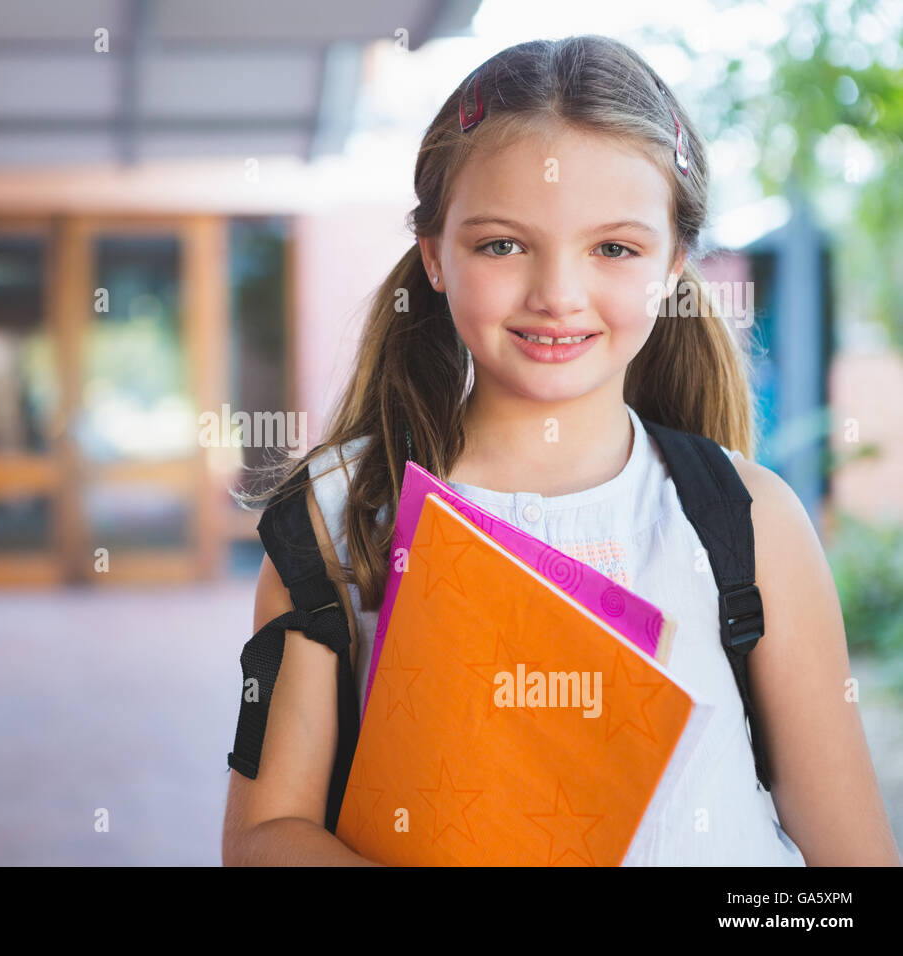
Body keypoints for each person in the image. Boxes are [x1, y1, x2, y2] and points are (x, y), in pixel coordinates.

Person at [221, 34, 901, 866]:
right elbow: (262, 836)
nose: (558, 296)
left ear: (673, 264)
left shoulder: (748, 521)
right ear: (434, 255)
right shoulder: (339, 515)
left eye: (614, 248)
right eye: (502, 245)